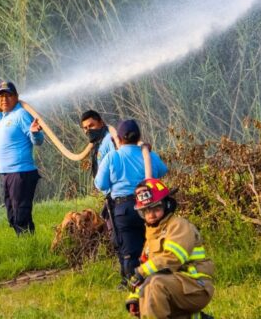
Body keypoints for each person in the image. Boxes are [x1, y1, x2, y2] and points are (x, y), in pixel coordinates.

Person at [125, 179, 214, 319]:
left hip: (196, 287)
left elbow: (173, 257)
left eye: (156, 208)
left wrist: (140, 272)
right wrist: (134, 298)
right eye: (146, 211)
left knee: (155, 286)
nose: (151, 215)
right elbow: (145, 271)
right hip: (175, 287)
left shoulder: (179, 226)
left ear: (167, 205)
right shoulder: (151, 237)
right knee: (148, 298)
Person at [95, 119, 168, 285]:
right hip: (150, 205)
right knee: (152, 244)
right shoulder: (148, 155)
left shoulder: (112, 157)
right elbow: (163, 171)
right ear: (139, 137)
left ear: (118, 139)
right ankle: (156, 280)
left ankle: (132, 283)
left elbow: (101, 184)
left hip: (124, 209)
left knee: (128, 249)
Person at [0, 80, 44, 235]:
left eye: (8, 96)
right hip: (7, 173)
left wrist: (35, 132)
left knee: (21, 215)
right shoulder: (4, 117)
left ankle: (29, 247)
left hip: (21, 172)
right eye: (1, 96)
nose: (4, 99)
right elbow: (0, 117)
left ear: (16, 97)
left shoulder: (21, 114)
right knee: (12, 215)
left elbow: (38, 141)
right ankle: (23, 243)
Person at [80, 109, 116, 177]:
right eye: (85, 128)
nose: (88, 130)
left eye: (91, 126)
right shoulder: (97, 143)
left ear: (101, 123)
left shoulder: (110, 139)